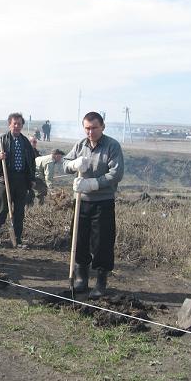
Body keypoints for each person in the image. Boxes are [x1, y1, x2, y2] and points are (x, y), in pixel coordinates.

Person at [63, 111, 124, 298]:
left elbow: (116, 173)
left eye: (94, 128)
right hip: (81, 202)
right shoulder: (80, 145)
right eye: (87, 128)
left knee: (101, 243)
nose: (90, 132)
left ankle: (100, 282)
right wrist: (74, 164)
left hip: (103, 202)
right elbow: (65, 163)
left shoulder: (112, 146)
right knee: (79, 239)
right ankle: (81, 279)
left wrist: (93, 183)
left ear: (102, 127)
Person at [0, 113, 36, 248]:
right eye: (14, 123)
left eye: (19, 124)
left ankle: (17, 238)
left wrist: (31, 178)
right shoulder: (2, 140)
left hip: (22, 180)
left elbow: (31, 162)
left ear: (22, 126)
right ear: (9, 124)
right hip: (5, 179)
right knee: (2, 209)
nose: (16, 126)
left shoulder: (25, 142)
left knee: (19, 210)